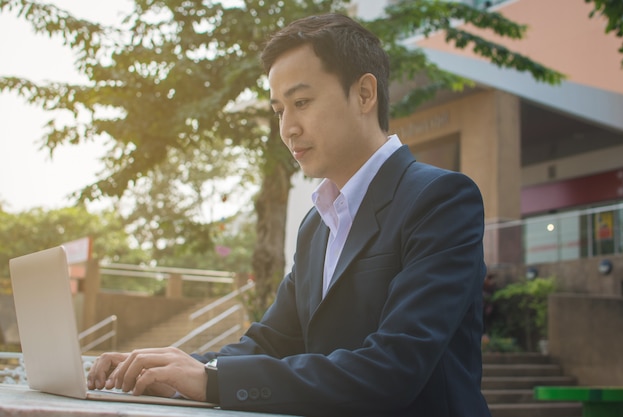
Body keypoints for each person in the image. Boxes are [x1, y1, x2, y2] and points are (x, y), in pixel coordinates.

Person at [88, 13, 491, 416]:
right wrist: (172, 369)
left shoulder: (440, 200)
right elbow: (269, 343)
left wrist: (211, 381)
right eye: (280, 109)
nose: (287, 129)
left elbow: (395, 367)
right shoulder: (317, 223)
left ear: (365, 94)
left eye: (301, 103)